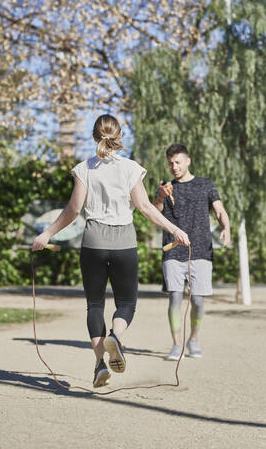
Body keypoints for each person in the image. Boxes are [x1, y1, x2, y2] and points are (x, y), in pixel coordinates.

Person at [32, 115, 189, 387]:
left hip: (93, 241)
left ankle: (99, 364)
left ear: (95, 136)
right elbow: (145, 207)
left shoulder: (85, 168)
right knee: (126, 304)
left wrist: (46, 233)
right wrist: (174, 229)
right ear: (119, 136)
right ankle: (115, 336)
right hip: (123, 242)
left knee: (94, 305)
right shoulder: (130, 168)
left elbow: (72, 211)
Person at [153, 143, 230, 361]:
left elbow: (219, 210)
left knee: (197, 301)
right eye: (170, 163)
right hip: (172, 249)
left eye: (177, 162)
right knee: (175, 298)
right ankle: (177, 344)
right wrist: (160, 196)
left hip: (201, 250)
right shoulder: (166, 187)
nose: (173, 167)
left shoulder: (206, 185)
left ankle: (193, 339)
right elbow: (154, 214)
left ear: (188, 161)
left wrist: (227, 228)